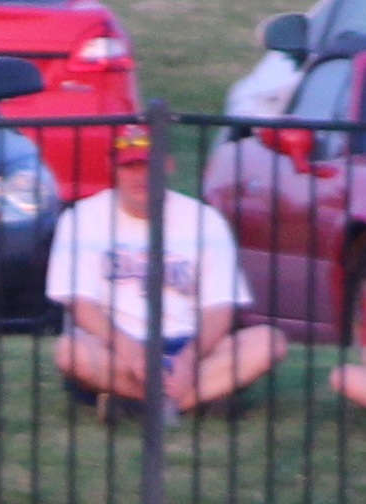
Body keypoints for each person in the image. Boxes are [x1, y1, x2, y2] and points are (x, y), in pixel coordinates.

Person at [49, 123, 285, 419]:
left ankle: (139, 404)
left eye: (149, 165)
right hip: (116, 345)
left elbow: (220, 309)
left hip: (187, 342)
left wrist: (189, 356)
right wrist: (130, 350)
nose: (141, 177)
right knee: (71, 352)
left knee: (269, 342)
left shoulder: (205, 219)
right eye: (130, 166)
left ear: (169, 165)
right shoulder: (82, 218)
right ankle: (193, 398)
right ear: (113, 167)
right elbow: (82, 306)